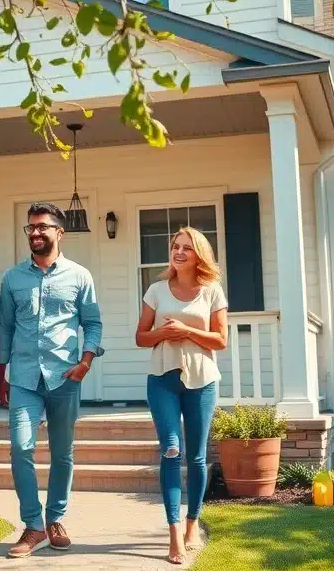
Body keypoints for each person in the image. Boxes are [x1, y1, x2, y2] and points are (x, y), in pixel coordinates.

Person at [0, 202, 104, 559]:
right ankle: (33, 525)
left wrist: (86, 361)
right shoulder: (13, 278)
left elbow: (93, 322)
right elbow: (6, 327)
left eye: (43, 227)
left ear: (60, 232)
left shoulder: (79, 276)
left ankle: (55, 518)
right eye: (31, 228)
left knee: (62, 452)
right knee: (21, 448)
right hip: (24, 376)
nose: (36, 233)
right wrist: (1, 373)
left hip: (64, 376)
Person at [134, 226, 228, 566]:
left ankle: (192, 524)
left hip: (202, 382)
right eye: (175, 246)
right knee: (172, 450)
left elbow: (220, 340)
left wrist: (186, 330)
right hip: (162, 380)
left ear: (198, 254)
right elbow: (141, 337)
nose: (179, 252)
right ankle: (174, 533)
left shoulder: (212, 291)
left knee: (197, 458)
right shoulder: (157, 290)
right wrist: (163, 333)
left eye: (187, 247)